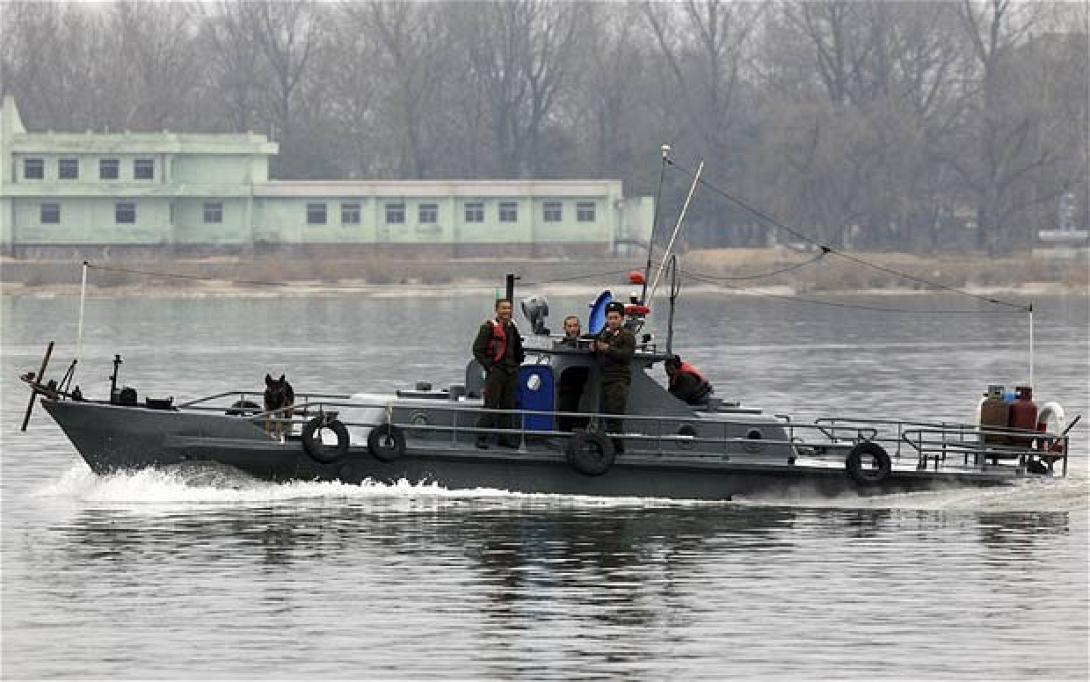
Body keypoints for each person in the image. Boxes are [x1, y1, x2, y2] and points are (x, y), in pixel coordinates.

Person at [472, 298, 525, 448]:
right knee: (491, 404)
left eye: (509, 308)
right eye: (503, 308)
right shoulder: (488, 327)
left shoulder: (512, 326)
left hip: (511, 370)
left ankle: (504, 437)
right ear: (497, 310)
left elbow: (516, 346)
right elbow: (477, 350)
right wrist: (490, 367)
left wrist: (518, 361)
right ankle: (481, 437)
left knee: (508, 405)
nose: (506, 311)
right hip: (496, 371)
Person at [594, 301, 635, 453]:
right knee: (606, 413)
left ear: (622, 319)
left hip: (618, 380)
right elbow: (596, 344)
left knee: (615, 416)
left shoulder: (627, 336)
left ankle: (617, 449)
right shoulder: (604, 334)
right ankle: (607, 445)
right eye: (610, 318)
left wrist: (608, 349)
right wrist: (595, 348)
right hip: (605, 379)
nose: (612, 321)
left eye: (615, 318)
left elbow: (626, 355)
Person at [555, 315, 589, 431]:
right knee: (565, 413)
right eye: (569, 326)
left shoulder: (586, 343)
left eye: (575, 325)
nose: (573, 329)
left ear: (579, 327)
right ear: (564, 328)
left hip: (580, 385)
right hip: (565, 387)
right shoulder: (561, 345)